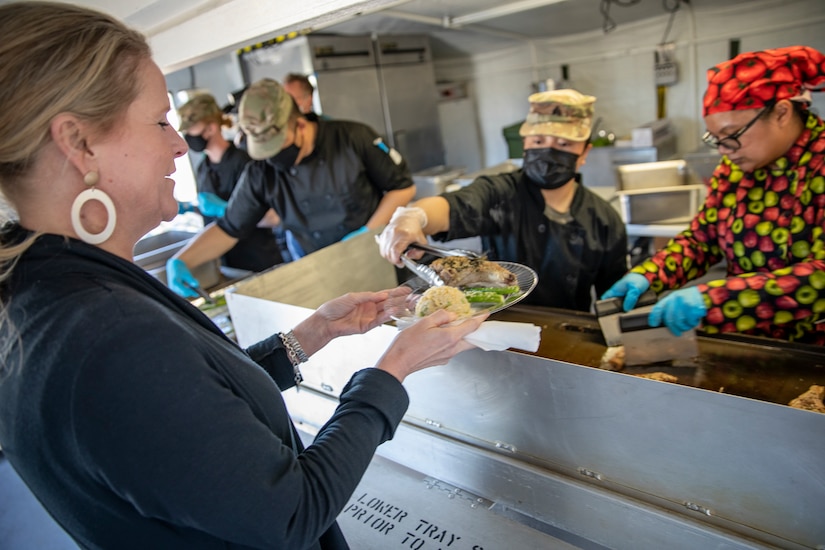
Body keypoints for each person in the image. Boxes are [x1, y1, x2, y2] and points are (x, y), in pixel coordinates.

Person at [0, 3, 486, 549]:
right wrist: (393, 371)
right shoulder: (104, 332)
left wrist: (310, 336)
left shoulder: (45, 292)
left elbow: (189, 415)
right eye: (161, 121)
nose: (179, 145)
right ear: (79, 142)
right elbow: (291, 512)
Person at [602, 45, 825, 344]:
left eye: (731, 135)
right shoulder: (734, 169)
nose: (723, 150)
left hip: (811, 347)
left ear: (782, 112)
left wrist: (716, 300)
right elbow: (703, 239)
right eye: (715, 139)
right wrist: (652, 274)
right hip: (748, 341)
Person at [378, 89, 628, 312]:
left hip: (568, 336)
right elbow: (452, 206)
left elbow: (613, 298)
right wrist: (414, 217)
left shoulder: (604, 220)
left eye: (563, 143)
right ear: (526, 144)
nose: (549, 151)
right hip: (500, 326)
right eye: (539, 141)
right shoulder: (501, 192)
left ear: (584, 153)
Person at [167, 77, 416, 297]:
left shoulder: (352, 137)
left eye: (279, 145)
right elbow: (230, 227)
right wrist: (181, 260)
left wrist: (367, 232)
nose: (273, 157)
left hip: (377, 257)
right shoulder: (260, 170)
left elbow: (402, 187)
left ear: (299, 125)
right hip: (319, 271)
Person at [175, 93, 283, 272]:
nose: (188, 136)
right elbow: (212, 213)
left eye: (192, 130)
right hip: (226, 262)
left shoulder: (245, 163)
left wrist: (229, 209)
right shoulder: (204, 168)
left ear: (211, 128)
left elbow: (273, 217)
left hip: (258, 260)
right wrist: (191, 208)